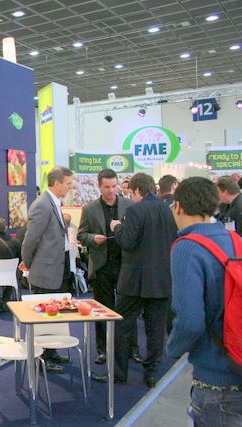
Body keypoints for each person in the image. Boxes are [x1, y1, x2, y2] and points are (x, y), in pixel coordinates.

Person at [167, 176, 242, 425]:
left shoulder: (187, 248)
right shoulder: (236, 240)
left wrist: (173, 348)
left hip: (216, 378)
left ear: (178, 206)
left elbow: (190, 321)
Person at [92, 173, 177, 387]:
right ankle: (151, 373)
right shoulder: (168, 210)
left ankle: (118, 373)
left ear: (137, 190)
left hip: (134, 281)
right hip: (161, 280)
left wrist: (117, 227)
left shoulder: (134, 210)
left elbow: (128, 242)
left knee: (121, 326)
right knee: (155, 330)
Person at [77, 169, 142, 366]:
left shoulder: (129, 205)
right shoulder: (90, 209)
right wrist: (92, 239)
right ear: (99, 186)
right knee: (102, 310)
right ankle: (103, 350)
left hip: (126, 264)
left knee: (128, 310)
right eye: (107, 187)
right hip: (102, 266)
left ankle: (131, 349)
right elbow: (81, 235)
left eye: (114, 186)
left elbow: (137, 233)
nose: (111, 190)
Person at [21, 166, 74, 373]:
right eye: (68, 184)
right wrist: (27, 262)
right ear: (57, 183)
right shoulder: (42, 205)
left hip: (57, 269)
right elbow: (31, 238)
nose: (70, 187)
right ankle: (42, 357)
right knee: (43, 316)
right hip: (45, 271)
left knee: (55, 314)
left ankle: (51, 352)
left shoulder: (54, 203)